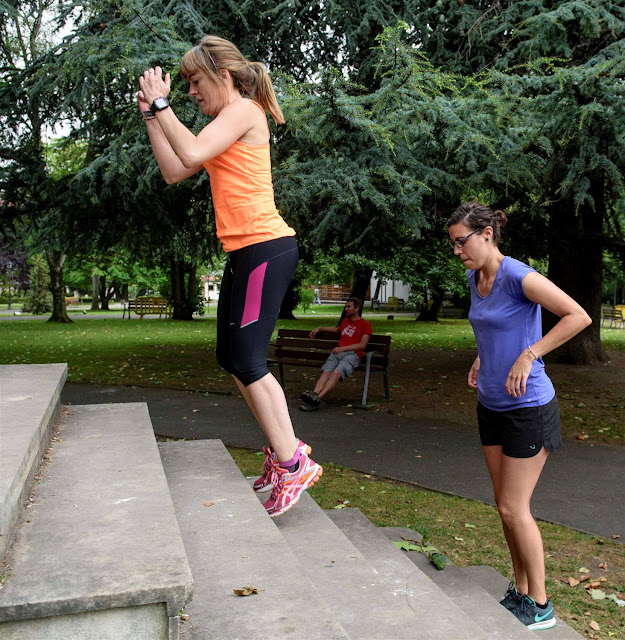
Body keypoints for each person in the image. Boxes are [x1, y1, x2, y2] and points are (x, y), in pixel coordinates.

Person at [137, 35, 322, 518]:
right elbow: (177, 170)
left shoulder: (243, 110)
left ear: (223, 76)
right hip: (246, 252)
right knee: (231, 356)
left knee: (248, 358)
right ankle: (284, 457)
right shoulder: (222, 123)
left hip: (266, 248)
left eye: (195, 82)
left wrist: (162, 103)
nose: (191, 92)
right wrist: (153, 117)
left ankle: (294, 462)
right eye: (186, 86)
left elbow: (193, 153)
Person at [447, 202, 591, 631]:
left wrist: (531, 354)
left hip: (528, 407)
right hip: (491, 404)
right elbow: (495, 327)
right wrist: (480, 357)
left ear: (487, 233)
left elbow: (577, 315)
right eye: (452, 244)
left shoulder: (518, 275)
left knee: (514, 507)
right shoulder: (476, 278)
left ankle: (542, 604)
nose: (457, 251)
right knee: (504, 506)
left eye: (461, 241)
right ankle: (523, 593)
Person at [300, 297, 372, 410]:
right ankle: (313, 395)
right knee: (326, 373)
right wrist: (320, 328)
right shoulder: (345, 321)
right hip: (337, 354)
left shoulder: (365, 325)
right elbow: (337, 329)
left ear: (357, 308)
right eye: (345, 306)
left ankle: (316, 400)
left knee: (335, 373)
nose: (346, 309)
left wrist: (342, 349)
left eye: (349, 307)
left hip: (352, 355)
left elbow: (362, 345)